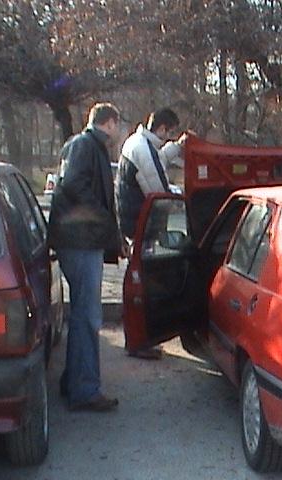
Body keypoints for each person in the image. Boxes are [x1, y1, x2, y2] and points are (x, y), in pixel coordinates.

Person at [48, 103, 123, 412]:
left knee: (82, 313)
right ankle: (85, 389)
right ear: (110, 122)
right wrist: (102, 216)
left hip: (77, 240)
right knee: (87, 316)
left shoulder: (81, 145)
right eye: (118, 124)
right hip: (81, 241)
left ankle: (75, 381)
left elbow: (71, 184)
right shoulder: (87, 146)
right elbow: (74, 184)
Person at [116, 108, 186, 359]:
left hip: (133, 220)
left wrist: (176, 148)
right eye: (170, 133)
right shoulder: (143, 149)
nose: (170, 137)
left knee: (138, 278)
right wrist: (181, 197)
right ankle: (140, 340)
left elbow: (157, 161)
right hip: (140, 224)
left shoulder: (139, 143)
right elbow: (158, 190)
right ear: (162, 128)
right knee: (142, 282)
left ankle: (138, 338)